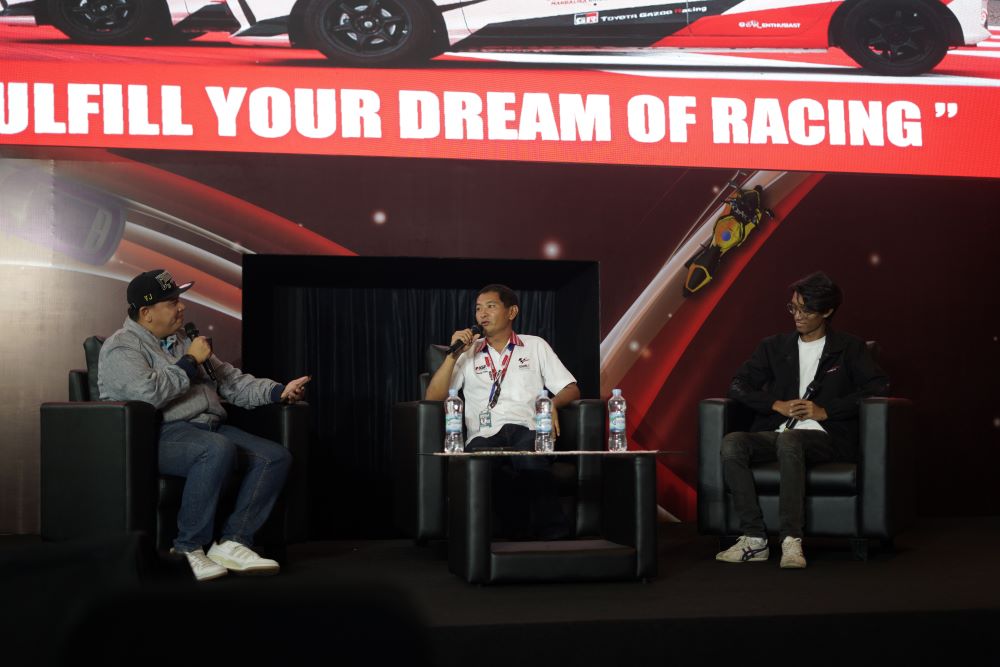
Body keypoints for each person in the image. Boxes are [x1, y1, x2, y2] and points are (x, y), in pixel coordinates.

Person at [98, 269, 310, 582]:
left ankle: (233, 541)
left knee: (274, 457)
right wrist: (189, 362)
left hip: (208, 429)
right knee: (215, 450)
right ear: (146, 313)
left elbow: (231, 382)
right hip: (157, 435)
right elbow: (147, 395)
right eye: (172, 302)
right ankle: (187, 548)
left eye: (179, 300)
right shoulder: (122, 347)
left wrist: (278, 391)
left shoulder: (183, 340)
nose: (181, 307)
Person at [715, 271, 888, 569]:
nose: (797, 316)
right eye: (793, 307)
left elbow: (878, 387)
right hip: (779, 431)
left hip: (826, 436)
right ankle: (754, 539)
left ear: (827, 311)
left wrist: (826, 411)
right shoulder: (773, 347)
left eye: (806, 310)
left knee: (791, 440)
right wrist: (776, 405)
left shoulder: (849, 348)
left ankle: (791, 539)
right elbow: (738, 385)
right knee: (733, 443)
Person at [425, 284, 580, 539]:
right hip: (484, 434)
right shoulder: (468, 353)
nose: (482, 314)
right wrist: (453, 356)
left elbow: (571, 388)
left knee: (529, 459)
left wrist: (552, 403)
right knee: (481, 466)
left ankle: (555, 538)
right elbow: (433, 398)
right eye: (478, 309)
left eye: (490, 306)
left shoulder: (535, 346)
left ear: (512, 312)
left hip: (527, 428)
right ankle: (486, 540)